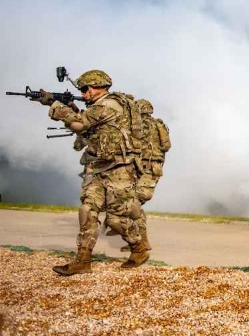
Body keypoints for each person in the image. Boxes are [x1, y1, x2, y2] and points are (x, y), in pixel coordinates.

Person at [35, 70, 149, 275]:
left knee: (116, 219)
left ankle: (139, 249)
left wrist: (55, 105)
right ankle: (83, 260)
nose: (84, 93)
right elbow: (87, 125)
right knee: (87, 210)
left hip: (119, 169)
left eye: (86, 89)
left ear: (97, 87)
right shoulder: (102, 106)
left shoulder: (108, 105)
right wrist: (69, 107)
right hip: (97, 167)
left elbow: (79, 123)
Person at [119, 99, 171, 252]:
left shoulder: (136, 126)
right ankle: (140, 241)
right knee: (134, 203)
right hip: (150, 169)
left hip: (144, 169)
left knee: (133, 202)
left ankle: (139, 241)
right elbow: (166, 146)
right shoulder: (159, 125)